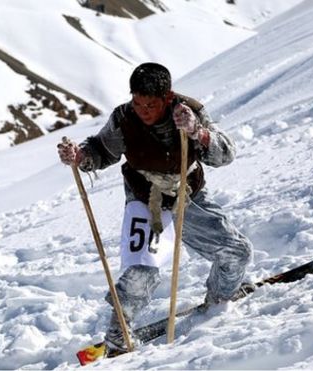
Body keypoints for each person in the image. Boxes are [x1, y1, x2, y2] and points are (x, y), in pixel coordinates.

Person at [57, 62, 252, 352]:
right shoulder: (124, 118)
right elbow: (101, 149)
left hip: (188, 193)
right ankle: (119, 333)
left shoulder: (188, 112)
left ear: (167, 97)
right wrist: (81, 155)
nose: (143, 110)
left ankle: (220, 302)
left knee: (236, 252)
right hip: (145, 198)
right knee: (142, 270)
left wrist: (198, 132)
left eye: (150, 104)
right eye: (137, 102)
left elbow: (225, 154)